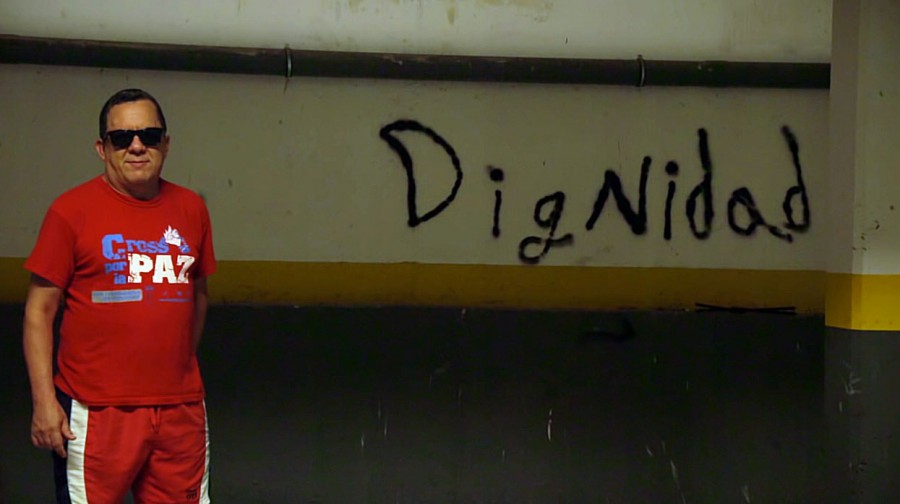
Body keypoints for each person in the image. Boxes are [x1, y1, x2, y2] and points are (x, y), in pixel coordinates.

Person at [22, 88, 216, 503]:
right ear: (102, 149)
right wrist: (44, 402)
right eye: (122, 138)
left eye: (149, 135)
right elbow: (39, 311)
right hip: (95, 412)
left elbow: (198, 294)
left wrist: (175, 363)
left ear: (166, 143)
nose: (137, 146)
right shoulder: (70, 211)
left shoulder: (191, 209)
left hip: (180, 411)